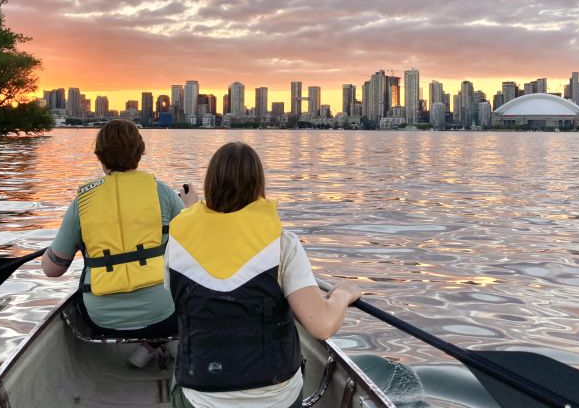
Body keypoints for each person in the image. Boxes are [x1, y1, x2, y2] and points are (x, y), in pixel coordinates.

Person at [165, 141, 361, 408]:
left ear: (210, 185)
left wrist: (192, 212)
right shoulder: (282, 244)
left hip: (201, 398)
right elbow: (322, 325)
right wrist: (341, 295)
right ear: (259, 186)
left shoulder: (177, 244)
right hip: (277, 400)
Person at [42, 120, 197, 363]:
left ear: (99, 157)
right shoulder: (164, 193)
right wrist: (191, 208)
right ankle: (155, 341)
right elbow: (197, 243)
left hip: (100, 321)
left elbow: (52, 270)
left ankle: (148, 345)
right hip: (163, 315)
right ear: (140, 152)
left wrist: (60, 247)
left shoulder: (82, 203)